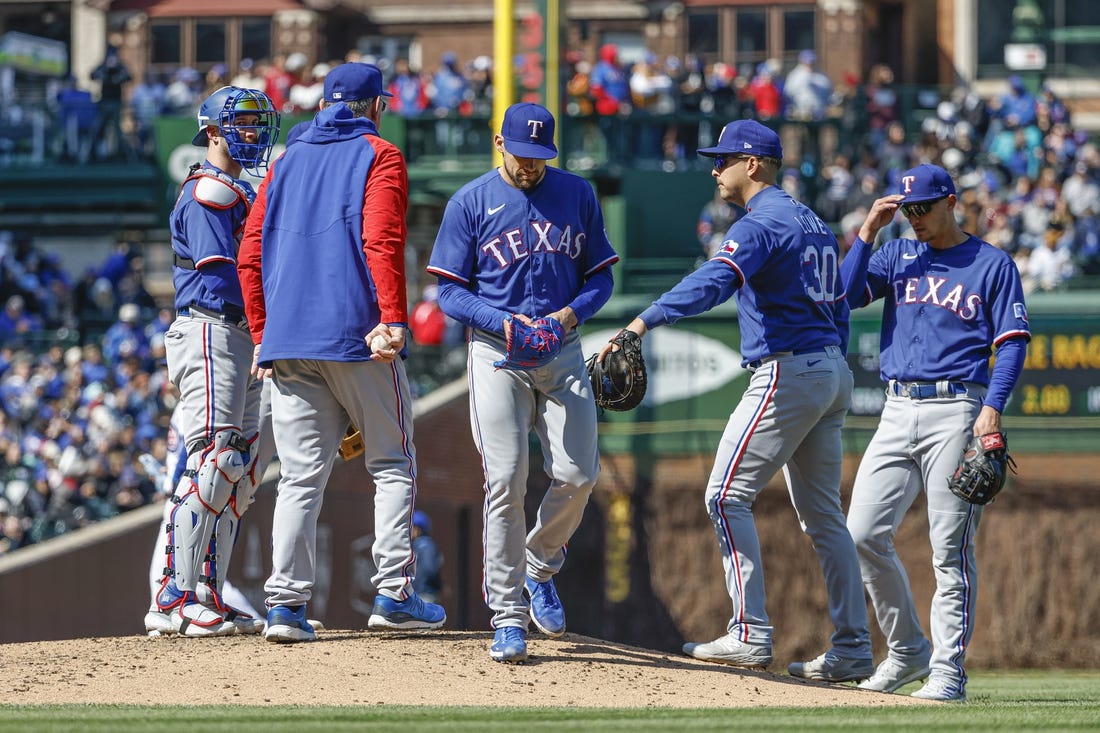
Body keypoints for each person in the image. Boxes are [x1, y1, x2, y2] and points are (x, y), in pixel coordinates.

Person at [597, 119, 872, 680]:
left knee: (724, 495)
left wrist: (641, 323)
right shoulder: (813, 221)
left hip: (789, 368)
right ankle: (853, 646)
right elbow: (840, 303)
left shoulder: (762, 223)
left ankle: (750, 632)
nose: (713, 168)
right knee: (824, 518)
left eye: (723, 159)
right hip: (829, 370)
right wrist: (829, 361)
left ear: (755, 164)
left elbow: (712, 282)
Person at [238, 62, 445, 643]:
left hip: (288, 341)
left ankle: (283, 607)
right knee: (391, 463)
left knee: (300, 478)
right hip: (358, 335)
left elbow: (249, 254)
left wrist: (261, 333)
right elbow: (380, 239)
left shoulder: (286, 161)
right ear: (374, 106)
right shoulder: (378, 154)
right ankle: (394, 593)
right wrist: (392, 319)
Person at [425, 102, 618, 663]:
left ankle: (539, 564)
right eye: (521, 153)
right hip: (497, 354)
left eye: (539, 156)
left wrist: (565, 319)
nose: (530, 165)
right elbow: (451, 294)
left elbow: (600, 280)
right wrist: (504, 324)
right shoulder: (470, 200)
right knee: (505, 479)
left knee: (579, 475)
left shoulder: (577, 194)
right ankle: (507, 617)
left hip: (561, 348)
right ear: (499, 142)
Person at [841, 164, 1030, 701]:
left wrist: (992, 409)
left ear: (951, 202)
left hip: (957, 407)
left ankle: (948, 672)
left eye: (923, 207)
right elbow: (847, 296)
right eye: (908, 209)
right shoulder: (898, 253)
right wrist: (869, 232)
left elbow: (1012, 342)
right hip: (897, 406)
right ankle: (907, 652)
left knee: (949, 548)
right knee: (863, 533)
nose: (915, 218)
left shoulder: (991, 263)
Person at [150, 85, 281, 638]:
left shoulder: (236, 189)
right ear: (212, 131)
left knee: (241, 471)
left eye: (255, 123)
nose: (250, 133)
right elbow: (221, 270)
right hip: (211, 326)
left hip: (241, 333)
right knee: (215, 459)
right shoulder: (210, 190)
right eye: (240, 124)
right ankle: (171, 598)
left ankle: (207, 592)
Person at [411, 510, 443, 603]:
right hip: (421, 593)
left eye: (412, 527)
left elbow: (429, 568)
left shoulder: (426, 544)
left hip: (424, 594)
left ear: (418, 529)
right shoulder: (421, 544)